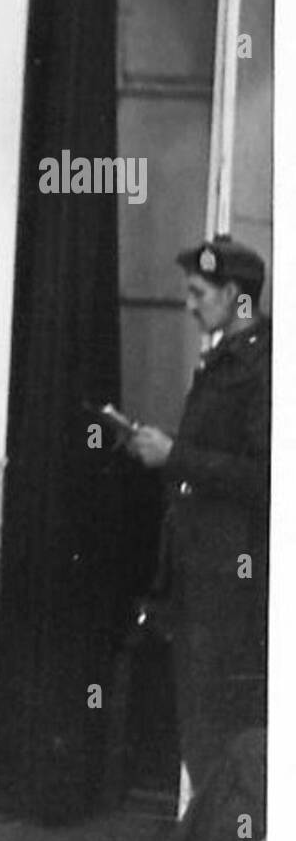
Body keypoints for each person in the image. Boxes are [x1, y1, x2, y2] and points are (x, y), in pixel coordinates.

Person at [125, 235, 269, 797]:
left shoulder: (267, 366)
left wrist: (174, 455)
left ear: (234, 295)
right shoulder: (225, 358)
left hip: (229, 585)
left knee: (218, 730)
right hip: (198, 574)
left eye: (197, 293)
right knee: (199, 725)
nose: (188, 305)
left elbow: (268, 475)